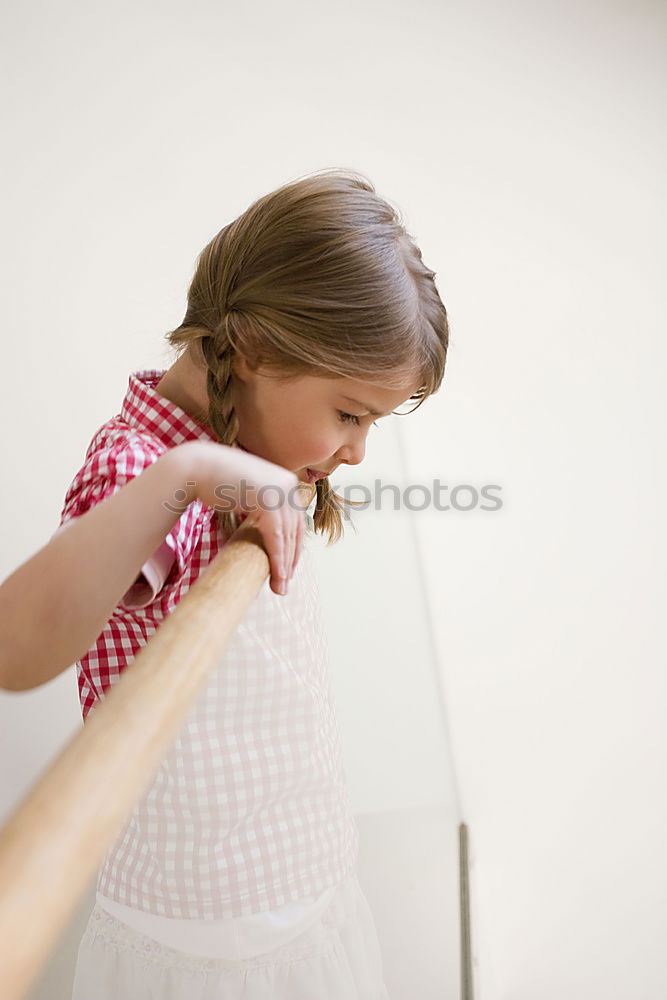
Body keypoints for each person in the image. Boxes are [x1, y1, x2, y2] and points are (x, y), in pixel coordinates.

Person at [56, 168, 448, 999]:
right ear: (256, 350)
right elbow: (28, 640)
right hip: (210, 936)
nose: (357, 452)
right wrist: (191, 470)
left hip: (303, 875)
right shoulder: (144, 469)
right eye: (350, 414)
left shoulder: (263, 464)